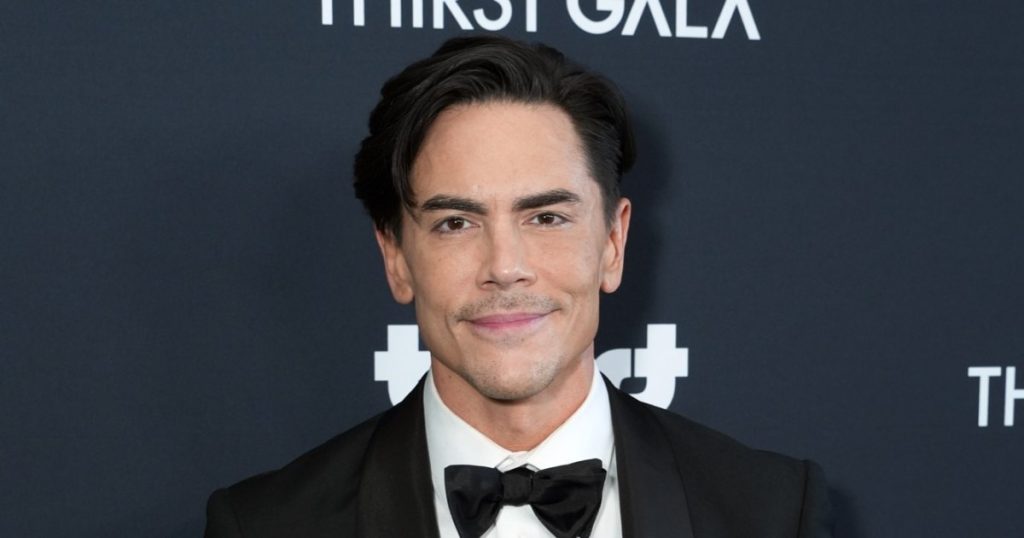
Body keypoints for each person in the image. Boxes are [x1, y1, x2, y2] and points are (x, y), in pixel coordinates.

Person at [204, 35, 833, 538]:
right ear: (396, 257)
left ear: (613, 243)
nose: (505, 266)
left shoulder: (772, 513)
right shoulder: (268, 525)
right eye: (456, 223)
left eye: (546, 218)